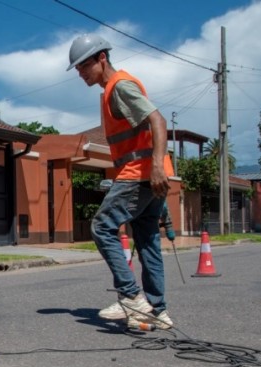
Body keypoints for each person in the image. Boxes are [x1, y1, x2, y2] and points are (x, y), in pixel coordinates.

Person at [67, 34, 174, 330]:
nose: (80, 73)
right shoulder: (111, 91)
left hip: (140, 173)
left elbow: (158, 121)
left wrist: (156, 166)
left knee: (102, 227)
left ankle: (130, 296)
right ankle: (157, 310)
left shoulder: (120, 86)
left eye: (84, 65)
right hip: (148, 175)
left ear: (102, 58)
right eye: (77, 68)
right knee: (147, 241)